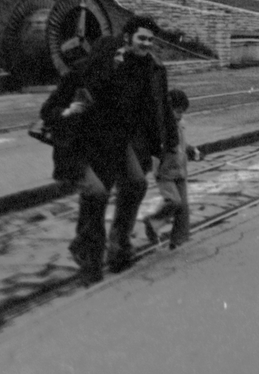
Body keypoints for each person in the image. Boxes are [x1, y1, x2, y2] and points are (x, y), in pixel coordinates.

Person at [74, 15, 176, 277]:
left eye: (151, 40)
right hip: (99, 137)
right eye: (142, 38)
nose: (146, 44)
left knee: (135, 185)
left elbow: (160, 108)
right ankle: (88, 253)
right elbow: (85, 89)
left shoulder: (152, 67)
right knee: (97, 195)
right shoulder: (109, 56)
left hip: (129, 140)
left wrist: (166, 144)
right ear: (128, 36)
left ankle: (118, 245)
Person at [37, 41, 104, 283]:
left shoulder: (104, 79)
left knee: (93, 200)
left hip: (96, 150)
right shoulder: (71, 80)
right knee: (96, 194)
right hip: (73, 152)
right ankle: (82, 247)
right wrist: (68, 111)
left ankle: (87, 256)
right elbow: (47, 111)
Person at [144, 89, 202, 249]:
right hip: (165, 172)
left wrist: (190, 149)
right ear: (168, 110)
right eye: (177, 112)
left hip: (180, 171)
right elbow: (156, 146)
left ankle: (179, 240)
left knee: (183, 207)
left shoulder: (180, 124)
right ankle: (152, 223)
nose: (180, 116)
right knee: (173, 201)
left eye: (182, 112)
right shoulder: (162, 127)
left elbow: (182, 144)